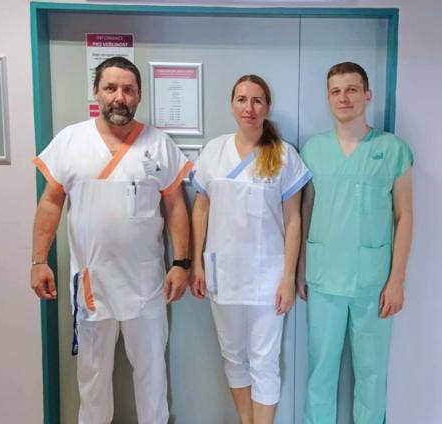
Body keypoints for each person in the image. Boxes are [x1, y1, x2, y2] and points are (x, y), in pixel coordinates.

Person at [30, 56, 192, 424]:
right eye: (111, 88)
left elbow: (175, 206)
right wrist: (39, 261)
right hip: (92, 285)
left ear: (139, 96)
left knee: (152, 375)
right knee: (92, 379)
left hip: (146, 285)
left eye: (128, 90)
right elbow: (51, 202)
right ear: (96, 92)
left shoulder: (159, 144)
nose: (119, 97)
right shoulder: (71, 140)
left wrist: (181, 264)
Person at [190, 74, 311, 424]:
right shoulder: (214, 151)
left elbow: (293, 221)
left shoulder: (284, 155)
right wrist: (196, 264)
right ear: (232, 105)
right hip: (222, 272)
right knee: (232, 356)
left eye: (257, 100)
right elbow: (201, 208)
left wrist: (288, 277)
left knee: (264, 361)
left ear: (267, 107)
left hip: (267, 276)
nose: (249, 107)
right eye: (242, 99)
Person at [298, 62, 414, 424]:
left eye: (351, 89)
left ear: (367, 95)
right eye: (336, 91)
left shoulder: (393, 150)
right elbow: (306, 210)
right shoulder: (313, 150)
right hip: (323, 279)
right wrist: (300, 268)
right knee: (320, 372)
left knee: (372, 374)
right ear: (328, 98)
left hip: (373, 282)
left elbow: (405, 216)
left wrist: (396, 280)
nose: (343, 98)